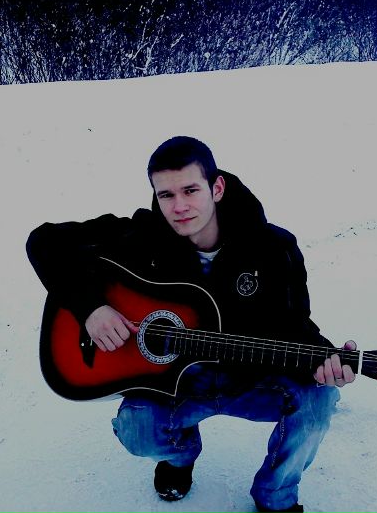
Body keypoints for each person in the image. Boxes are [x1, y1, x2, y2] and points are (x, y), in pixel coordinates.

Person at [26, 136, 356, 513]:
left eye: (190, 190)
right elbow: (44, 242)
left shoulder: (273, 248)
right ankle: (180, 456)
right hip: (172, 386)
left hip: (247, 380)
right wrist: (91, 309)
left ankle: (275, 495)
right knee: (136, 429)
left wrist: (325, 360)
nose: (179, 207)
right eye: (166, 195)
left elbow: (294, 324)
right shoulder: (141, 236)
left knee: (320, 399)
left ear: (217, 188)